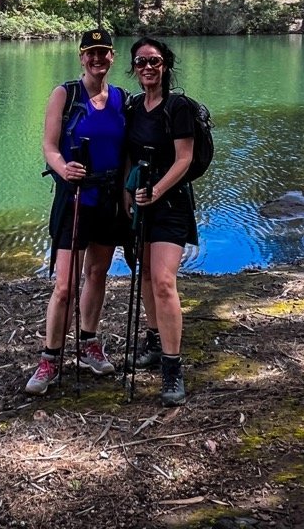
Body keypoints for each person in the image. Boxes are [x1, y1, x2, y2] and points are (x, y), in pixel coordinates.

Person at [26, 28, 128, 395]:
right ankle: (50, 358)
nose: (97, 59)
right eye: (90, 53)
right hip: (73, 199)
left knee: (98, 272)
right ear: (81, 57)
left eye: (103, 53)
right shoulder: (64, 94)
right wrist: (62, 167)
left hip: (108, 199)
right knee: (65, 285)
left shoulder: (121, 99)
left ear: (112, 57)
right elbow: (49, 146)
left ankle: (88, 343)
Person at [124, 36, 197, 406]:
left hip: (171, 206)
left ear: (165, 65)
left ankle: (172, 367)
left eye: (154, 61)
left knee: (165, 281)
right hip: (140, 205)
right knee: (147, 276)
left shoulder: (178, 106)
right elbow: (128, 156)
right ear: (134, 68)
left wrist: (157, 191)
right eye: (141, 62)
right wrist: (129, 198)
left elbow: (184, 159)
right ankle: (152, 341)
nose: (147, 68)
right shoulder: (134, 106)